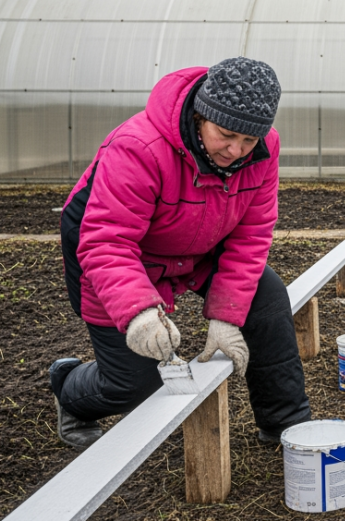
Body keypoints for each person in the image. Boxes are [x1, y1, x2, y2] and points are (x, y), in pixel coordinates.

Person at [48, 57, 311, 450]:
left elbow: (251, 234)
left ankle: (288, 428)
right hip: (116, 254)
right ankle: (70, 388)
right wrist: (138, 311)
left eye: (249, 141)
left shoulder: (263, 150)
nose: (236, 151)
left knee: (266, 297)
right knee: (136, 386)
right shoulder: (139, 147)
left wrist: (226, 314)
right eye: (225, 134)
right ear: (201, 115)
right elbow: (108, 240)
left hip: (199, 245)